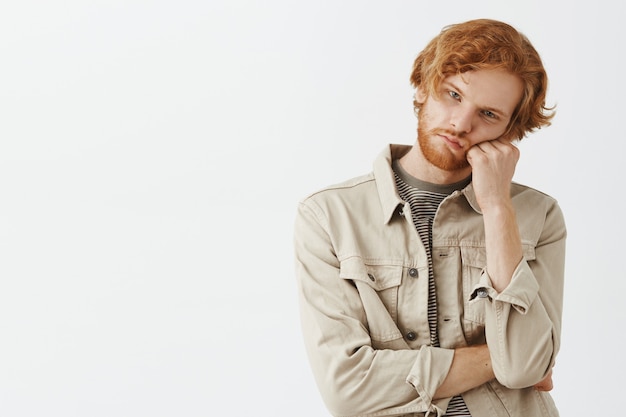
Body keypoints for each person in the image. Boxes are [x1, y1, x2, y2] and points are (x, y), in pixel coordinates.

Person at [293, 18, 566, 417]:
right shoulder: (329, 216)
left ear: (511, 130)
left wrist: (496, 208)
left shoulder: (539, 216)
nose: (461, 123)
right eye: (452, 94)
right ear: (423, 86)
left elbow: (527, 366)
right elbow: (347, 388)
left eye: (488, 114)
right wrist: (506, 358)